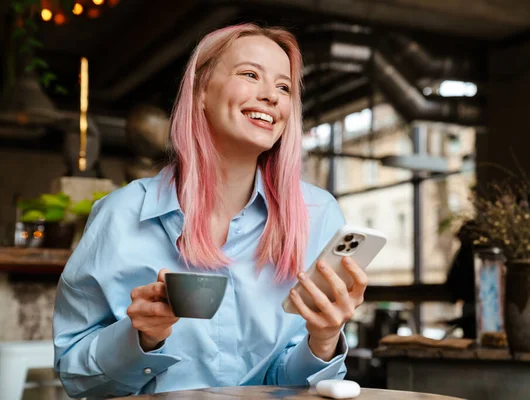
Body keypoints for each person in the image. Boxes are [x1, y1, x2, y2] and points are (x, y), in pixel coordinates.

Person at [53, 24, 368, 398]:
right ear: (201, 92)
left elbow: (291, 383)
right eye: (250, 75)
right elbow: (76, 378)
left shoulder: (318, 215)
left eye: (284, 87)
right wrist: (141, 338)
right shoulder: (120, 216)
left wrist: (324, 339)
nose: (271, 96)